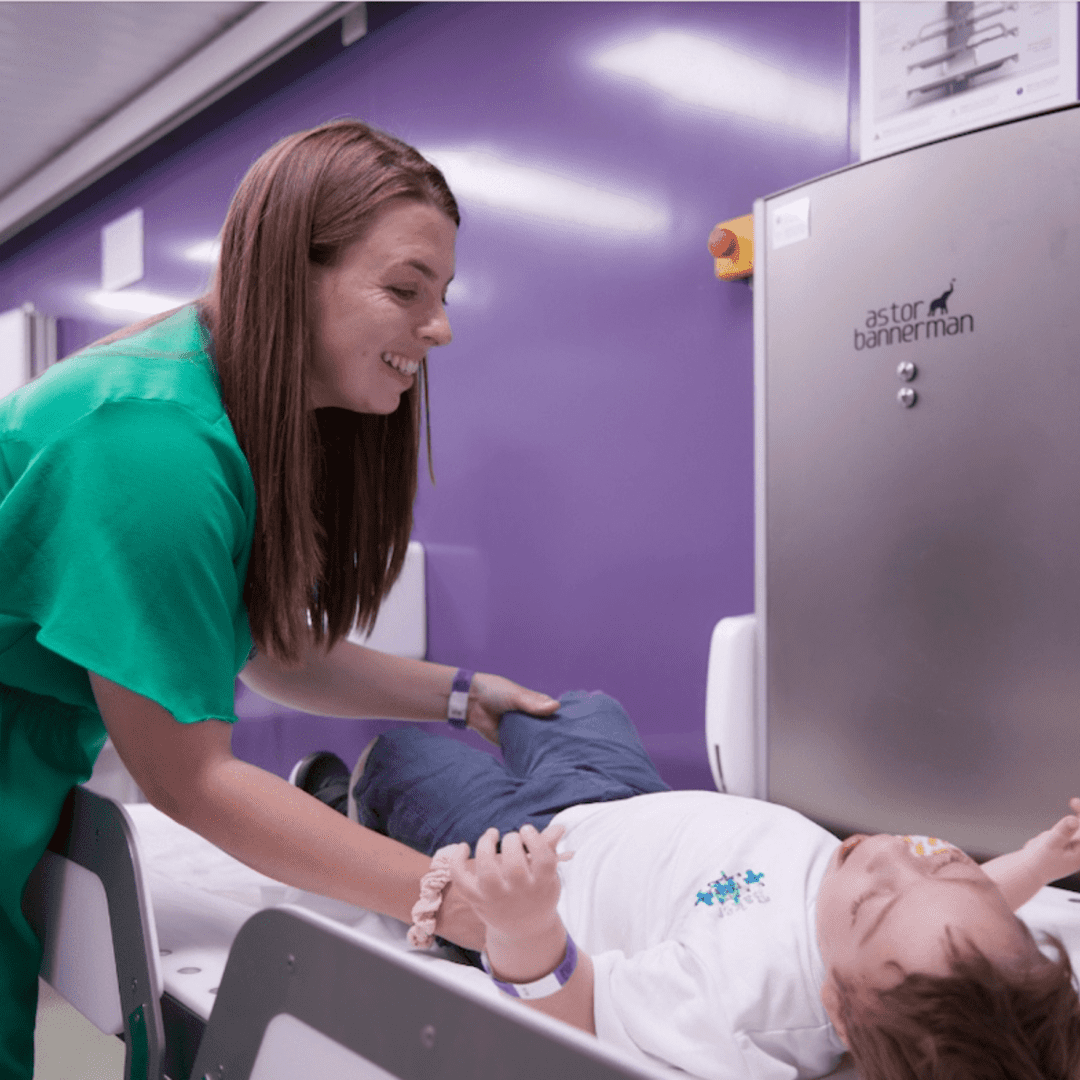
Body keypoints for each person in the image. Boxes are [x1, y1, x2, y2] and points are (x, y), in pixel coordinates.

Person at [0, 119, 561, 1080]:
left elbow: (260, 645)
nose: (441, 327)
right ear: (289, 272)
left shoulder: (205, 397)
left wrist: (468, 695)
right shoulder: (152, 444)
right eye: (405, 289)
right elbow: (190, 777)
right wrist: (449, 899)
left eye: (443, 294)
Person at [296, 691, 1080, 1080]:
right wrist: (1040, 861)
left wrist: (527, 926)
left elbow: (584, 1009)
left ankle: (344, 801)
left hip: (529, 855)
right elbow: (971, 910)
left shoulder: (745, 1003)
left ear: (840, 1007)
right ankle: (513, 735)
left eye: (877, 901)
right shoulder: (927, 936)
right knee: (584, 709)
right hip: (627, 797)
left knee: (404, 757)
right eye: (943, 864)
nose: (883, 856)